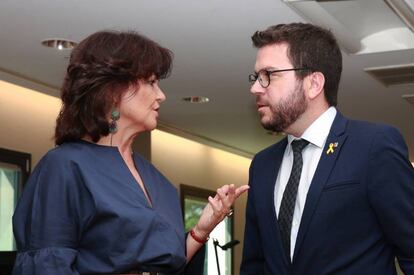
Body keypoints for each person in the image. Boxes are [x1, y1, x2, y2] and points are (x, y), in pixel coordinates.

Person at [12, 30, 249, 275]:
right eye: (151, 82)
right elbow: (46, 266)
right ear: (114, 90)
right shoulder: (65, 166)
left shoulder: (156, 179)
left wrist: (201, 231)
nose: (161, 95)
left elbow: (166, 265)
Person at [240, 23, 414, 275]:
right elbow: (255, 264)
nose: (255, 87)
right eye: (256, 76)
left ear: (314, 83)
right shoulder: (262, 165)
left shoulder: (373, 146)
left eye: (269, 74)